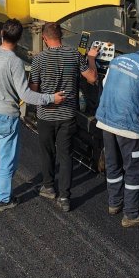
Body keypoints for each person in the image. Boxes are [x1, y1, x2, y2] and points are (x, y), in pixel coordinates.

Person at [0, 20, 65, 212]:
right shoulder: (15, 62)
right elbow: (25, 95)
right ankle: (2, 200)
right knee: (6, 161)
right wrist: (51, 98)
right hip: (7, 117)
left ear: (1, 34)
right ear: (20, 38)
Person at [28, 22, 99, 212]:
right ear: (62, 36)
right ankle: (65, 198)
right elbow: (92, 78)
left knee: (47, 152)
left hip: (45, 115)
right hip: (67, 115)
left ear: (44, 38)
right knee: (66, 155)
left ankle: (49, 187)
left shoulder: (39, 60)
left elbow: (33, 90)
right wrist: (91, 58)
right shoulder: (74, 54)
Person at [94, 41, 139, 228]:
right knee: (133, 170)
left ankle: (114, 203)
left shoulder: (117, 60)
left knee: (113, 164)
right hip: (128, 128)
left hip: (106, 121)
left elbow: (105, 83)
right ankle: (131, 214)